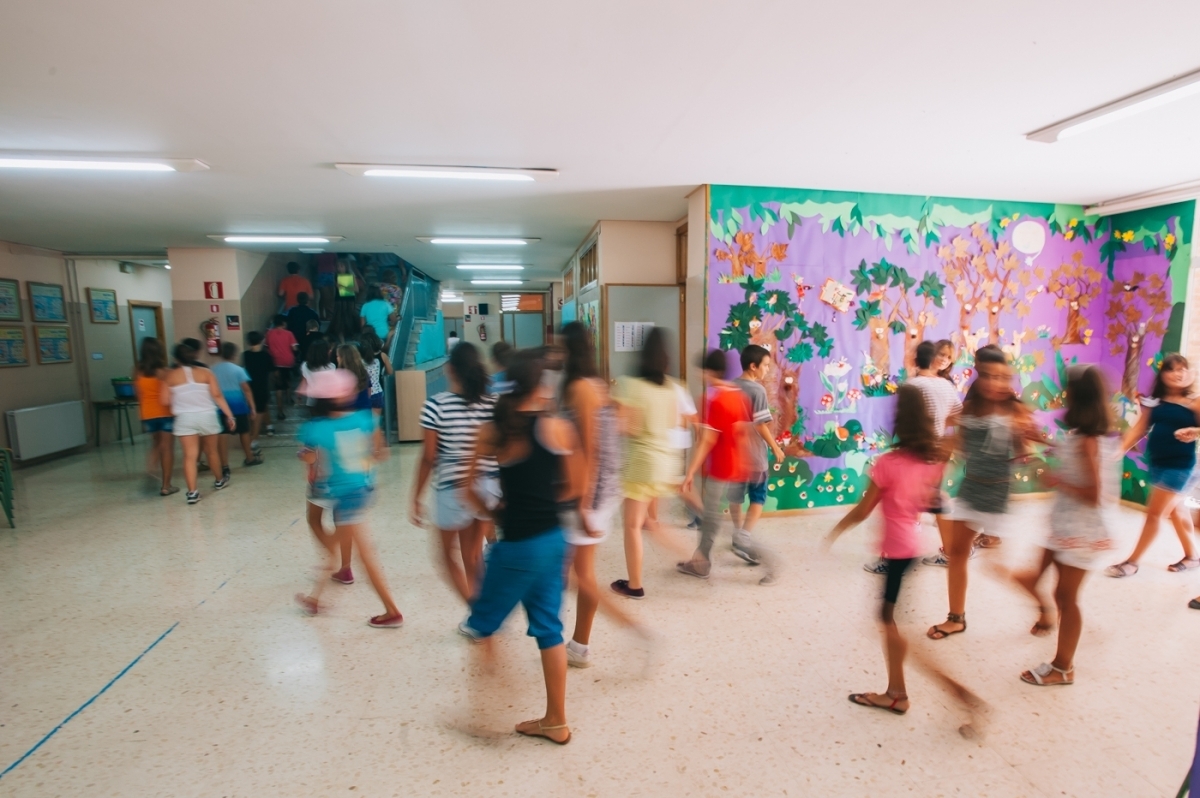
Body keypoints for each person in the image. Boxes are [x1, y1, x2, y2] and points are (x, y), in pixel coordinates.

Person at [458, 350, 585, 745]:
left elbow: (466, 488)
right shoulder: (557, 427)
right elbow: (577, 487)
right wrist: (545, 500)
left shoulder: (495, 429)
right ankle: (555, 721)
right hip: (553, 541)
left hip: (516, 547)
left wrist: (493, 510)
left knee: (477, 625)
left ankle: (480, 715)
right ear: (540, 386)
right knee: (550, 630)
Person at [826, 385, 954, 715]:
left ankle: (899, 693)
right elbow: (931, 500)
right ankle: (897, 690)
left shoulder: (888, 463)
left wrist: (837, 529)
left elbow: (864, 509)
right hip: (913, 547)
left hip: (898, 554)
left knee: (889, 620)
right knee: (888, 617)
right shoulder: (932, 461)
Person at [1007, 365, 1119, 685]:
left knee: (1066, 598)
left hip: (1083, 532)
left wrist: (1060, 481)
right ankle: (1047, 616)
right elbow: (1073, 457)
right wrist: (1042, 441)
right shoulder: (1081, 436)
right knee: (1042, 584)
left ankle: (1063, 667)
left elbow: (1097, 494)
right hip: (1066, 526)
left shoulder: (1090, 441)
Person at [927, 345, 1039, 640]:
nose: (994, 383)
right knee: (958, 554)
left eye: (1002, 378)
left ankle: (1044, 604)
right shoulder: (971, 408)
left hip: (998, 496)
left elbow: (1025, 450)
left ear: (1010, 382)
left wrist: (1027, 446)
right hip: (971, 489)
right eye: (988, 376)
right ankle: (956, 618)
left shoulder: (1016, 411)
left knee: (998, 566)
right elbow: (958, 447)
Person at [293, 369, 403, 628]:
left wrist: (305, 455)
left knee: (364, 555)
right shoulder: (366, 419)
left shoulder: (315, 429)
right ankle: (314, 599)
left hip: (344, 496)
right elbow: (380, 453)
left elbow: (310, 458)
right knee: (336, 546)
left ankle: (392, 611)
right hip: (363, 490)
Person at [559, 321, 627, 667]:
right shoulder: (593, 384)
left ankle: (601, 639)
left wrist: (585, 504)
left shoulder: (583, 389)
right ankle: (577, 644)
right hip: (597, 488)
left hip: (592, 492)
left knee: (577, 573)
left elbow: (588, 446)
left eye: (560, 347)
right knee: (574, 570)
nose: (555, 353)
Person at [677, 349, 776, 585]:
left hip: (721, 469)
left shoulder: (712, 396)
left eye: (701, 370)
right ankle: (701, 562)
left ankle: (772, 563)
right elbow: (742, 430)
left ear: (708, 371)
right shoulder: (736, 394)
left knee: (714, 522)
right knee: (711, 520)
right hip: (738, 467)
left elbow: (708, 440)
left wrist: (690, 471)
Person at [411, 342, 498, 604]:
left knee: (447, 556)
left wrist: (415, 496)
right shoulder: (493, 404)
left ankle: (477, 613)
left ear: (450, 369)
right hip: (489, 487)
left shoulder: (435, 406)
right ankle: (484, 611)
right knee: (473, 554)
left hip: (454, 489)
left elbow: (429, 457)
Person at [866, 340, 963, 572]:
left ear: (915, 359)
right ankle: (950, 552)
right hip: (936, 452)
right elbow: (958, 416)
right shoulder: (946, 386)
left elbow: (905, 421)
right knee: (934, 500)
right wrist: (940, 427)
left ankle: (893, 558)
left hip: (914, 453)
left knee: (902, 506)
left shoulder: (913, 385)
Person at [610, 327, 692, 599]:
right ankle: (696, 557)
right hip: (665, 462)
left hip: (641, 464)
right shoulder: (672, 387)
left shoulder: (628, 385)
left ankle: (634, 585)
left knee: (633, 526)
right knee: (653, 524)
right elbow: (675, 422)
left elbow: (626, 428)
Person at [1106, 353, 1200, 577]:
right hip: (1158, 464)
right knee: (1178, 512)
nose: (1179, 373)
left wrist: (1195, 431)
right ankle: (1193, 556)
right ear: (1163, 375)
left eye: (1183, 369)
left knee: (1154, 515)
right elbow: (1139, 429)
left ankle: (1132, 562)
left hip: (1180, 467)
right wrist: (1120, 450)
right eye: (1173, 369)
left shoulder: (1194, 402)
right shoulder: (1155, 402)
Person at [730, 345, 787, 560]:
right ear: (753, 366)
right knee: (758, 496)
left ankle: (736, 533)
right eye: (764, 366)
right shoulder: (757, 390)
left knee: (735, 495)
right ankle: (744, 537)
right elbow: (761, 424)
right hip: (754, 456)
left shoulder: (731, 387)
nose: (766, 370)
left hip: (735, 455)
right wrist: (775, 446)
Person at [163, 342, 236, 504]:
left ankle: (192, 492)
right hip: (207, 416)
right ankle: (219, 481)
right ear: (194, 355)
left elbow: (165, 400)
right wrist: (230, 416)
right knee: (212, 451)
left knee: (190, 455)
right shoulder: (206, 373)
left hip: (184, 419)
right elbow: (217, 396)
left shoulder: (170, 376)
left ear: (176, 358)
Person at [135, 337, 177, 496]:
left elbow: (138, 394)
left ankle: (151, 467)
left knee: (156, 444)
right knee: (167, 448)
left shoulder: (137, 370)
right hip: (165, 413)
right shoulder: (165, 372)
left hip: (148, 413)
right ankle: (166, 486)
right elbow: (171, 394)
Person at [213, 343, 262, 479]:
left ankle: (225, 466)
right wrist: (252, 407)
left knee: (223, 435)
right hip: (238, 406)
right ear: (234, 354)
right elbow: (246, 390)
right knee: (244, 432)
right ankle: (249, 458)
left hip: (220, 407)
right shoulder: (239, 370)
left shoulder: (213, 370)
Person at [265, 315, 298, 424]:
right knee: (287, 379)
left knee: (278, 387)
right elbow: (294, 348)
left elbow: (266, 347)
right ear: (284, 323)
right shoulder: (289, 334)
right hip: (287, 361)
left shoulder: (269, 333)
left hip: (274, 362)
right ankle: (289, 398)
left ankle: (280, 411)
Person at [242, 331, 273, 447]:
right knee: (259, 412)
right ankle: (253, 438)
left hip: (248, 387)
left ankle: (269, 425)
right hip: (262, 386)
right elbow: (271, 372)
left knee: (256, 410)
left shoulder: (245, 355)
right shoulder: (266, 356)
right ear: (261, 340)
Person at [359, 330, 393, 417]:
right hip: (377, 392)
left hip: (363, 393)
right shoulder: (383, 355)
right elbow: (390, 372)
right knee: (376, 422)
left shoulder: (359, 357)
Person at [329, 257, 363, 341]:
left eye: (341, 266)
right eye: (338, 267)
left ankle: (350, 336)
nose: (339, 268)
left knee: (349, 318)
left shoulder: (351, 276)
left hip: (349, 301)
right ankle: (341, 338)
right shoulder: (335, 276)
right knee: (339, 320)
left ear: (346, 266)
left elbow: (356, 290)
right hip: (339, 301)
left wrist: (343, 287)